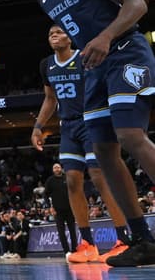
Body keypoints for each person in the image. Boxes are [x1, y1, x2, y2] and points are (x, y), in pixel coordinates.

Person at [26, 0, 155, 266]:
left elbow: (137, 4)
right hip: (94, 65)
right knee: (103, 152)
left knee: (130, 136)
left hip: (125, 50)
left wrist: (106, 36)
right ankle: (143, 239)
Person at [32, 24, 130, 263]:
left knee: (99, 177)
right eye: (50, 33)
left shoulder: (85, 57)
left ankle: (123, 239)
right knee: (72, 181)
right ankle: (87, 244)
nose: (54, 35)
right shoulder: (46, 65)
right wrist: (38, 126)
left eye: (59, 32)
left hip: (92, 121)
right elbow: (50, 98)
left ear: (70, 37)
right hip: (68, 127)